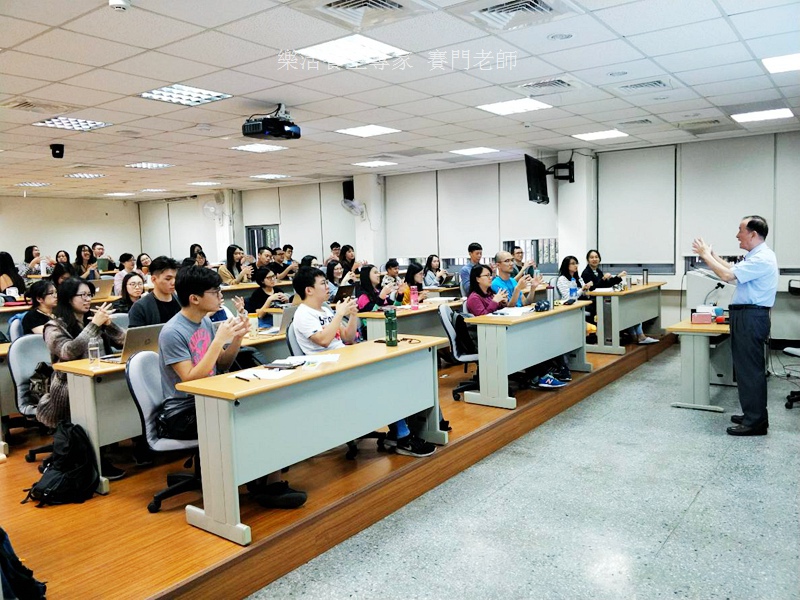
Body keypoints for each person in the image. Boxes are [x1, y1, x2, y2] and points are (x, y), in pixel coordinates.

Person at [292, 267, 436, 457]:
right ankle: (403, 437)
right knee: (382, 380)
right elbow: (324, 340)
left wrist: (352, 314)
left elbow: (348, 337)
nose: (328, 287)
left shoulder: (325, 309)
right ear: (308, 290)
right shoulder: (303, 314)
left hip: (343, 358)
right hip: (326, 369)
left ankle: (400, 432)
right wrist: (338, 314)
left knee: (391, 372)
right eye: (323, 283)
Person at [692, 215, 778, 436]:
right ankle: (754, 414)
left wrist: (704, 255)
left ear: (753, 234)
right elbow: (732, 269)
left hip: (751, 317)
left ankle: (755, 422)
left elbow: (726, 275)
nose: (737, 235)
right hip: (747, 316)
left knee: (750, 371)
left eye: (740, 230)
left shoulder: (762, 259)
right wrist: (712, 255)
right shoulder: (756, 256)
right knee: (746, 369)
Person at [36, 277, 126, 479]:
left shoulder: (92, 320)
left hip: (100, 378)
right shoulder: (53, 327)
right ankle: (95, 460)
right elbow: (68, 351)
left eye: (89, 295)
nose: (88, 300)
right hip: (68, 386)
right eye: (82, 295)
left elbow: (124, 341)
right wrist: (94, 325)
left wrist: (110, 325)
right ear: (69, 299)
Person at [466, 264, 566, 390]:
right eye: (487, 275)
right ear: (477, 279)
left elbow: (501, 312)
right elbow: (483, 318)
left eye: (490, 275)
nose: (490, 277)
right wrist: (495, 302)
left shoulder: (490, 293)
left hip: (499, 331)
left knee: (530, 337)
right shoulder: (474, 298)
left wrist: (502, 304)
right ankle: (540, 375)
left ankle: (542, 374)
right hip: (486, 337)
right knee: (524, 342)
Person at [581, 249, 656, 345]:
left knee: (628, 307)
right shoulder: (586, 273)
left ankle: (636, 334)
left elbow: (607, 284)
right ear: (587, 260)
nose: (594, 259)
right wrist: (603, 279)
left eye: (596, 257)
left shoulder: (597, 271)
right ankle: (638, 335)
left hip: (604, 299)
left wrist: (618, 277)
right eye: (592, 257)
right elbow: (593, 288)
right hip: (596, 302)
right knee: (625, 308)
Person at [128, 256, 180, 327]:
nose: (174, 282)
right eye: (168, 279)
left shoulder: (181, 301)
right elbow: (137, 336)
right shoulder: (140, 308)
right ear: (153, 279)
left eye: (176, 278)